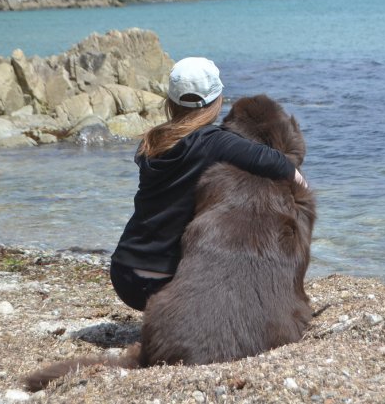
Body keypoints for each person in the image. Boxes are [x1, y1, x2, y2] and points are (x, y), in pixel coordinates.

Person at [110, 57, 306, 311]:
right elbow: (274, 161)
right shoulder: (215, 142)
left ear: (170, 103)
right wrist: (302, 186)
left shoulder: (151, 141)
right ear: (218, 101)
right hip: (171, 284)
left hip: (124, 275)